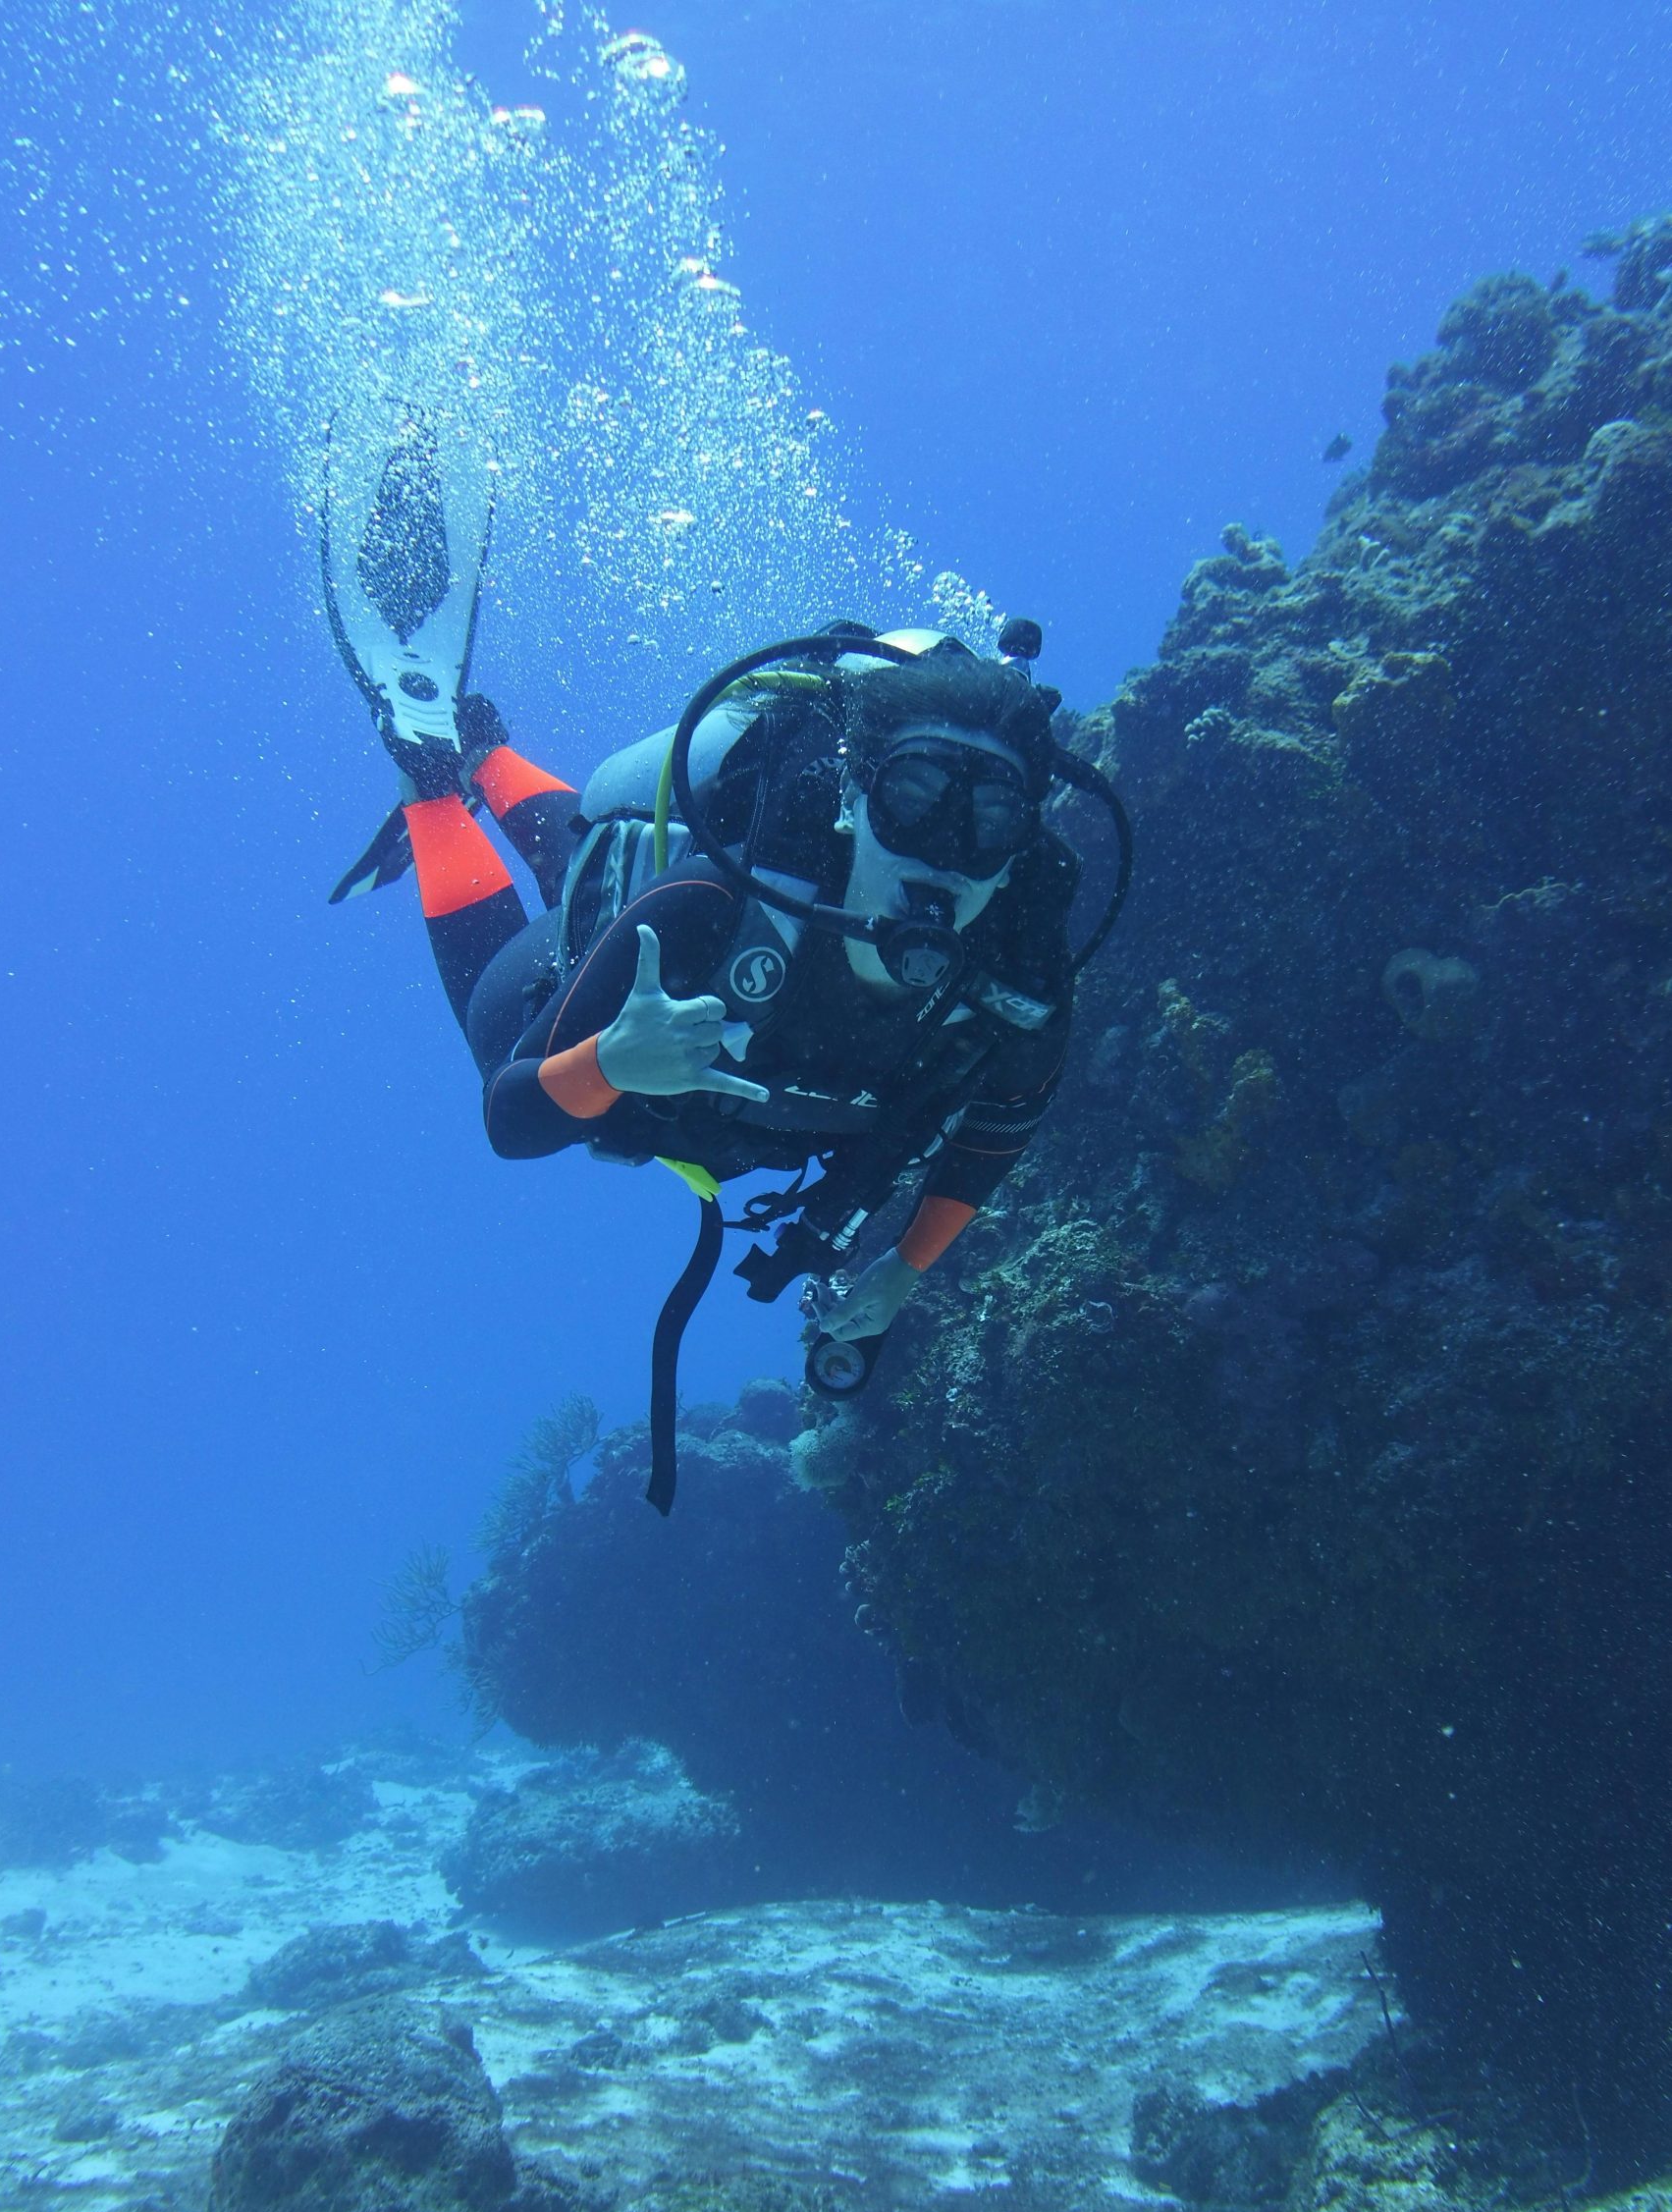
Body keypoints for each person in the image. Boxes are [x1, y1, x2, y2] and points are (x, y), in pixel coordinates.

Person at [324, 416, 1129, 1504]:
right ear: (854, 796)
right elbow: (514, 1119)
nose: (942, 853)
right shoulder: (716, 904)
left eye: (984, 816)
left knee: (575, 862)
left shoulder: (1018, 980)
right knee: (512, 990)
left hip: (717, 1090)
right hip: (616, 1012)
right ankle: (434, 774)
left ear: (1022, 843)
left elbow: (998, 1129)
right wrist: (609, 1057)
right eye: (914, 797)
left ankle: (487, 746)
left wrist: (902, 1273)